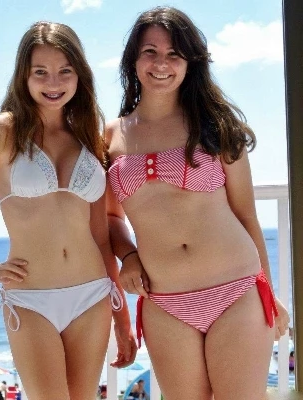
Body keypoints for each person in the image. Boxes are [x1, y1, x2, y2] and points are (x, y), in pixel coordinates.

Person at [0, 21, 136, 399]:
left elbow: (100, 234)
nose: (53, 82)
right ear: (23, 76)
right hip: (30, 297)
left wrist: (122, 315)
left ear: (79, 74)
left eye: (64, 71)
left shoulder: (86, 134)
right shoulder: (3, 131)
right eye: (40, 72)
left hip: (92, 294)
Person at [105, 7, 290, 400]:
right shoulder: (110, 136)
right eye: (150, 52)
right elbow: (108, 216)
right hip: (164, 302)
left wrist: (269, 296)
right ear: (133, 59)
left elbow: (246, 216)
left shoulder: (217, 127)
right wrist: (128, 256)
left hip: (237, 291)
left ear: (190, 62)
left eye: (174, 54)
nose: (161, 64)